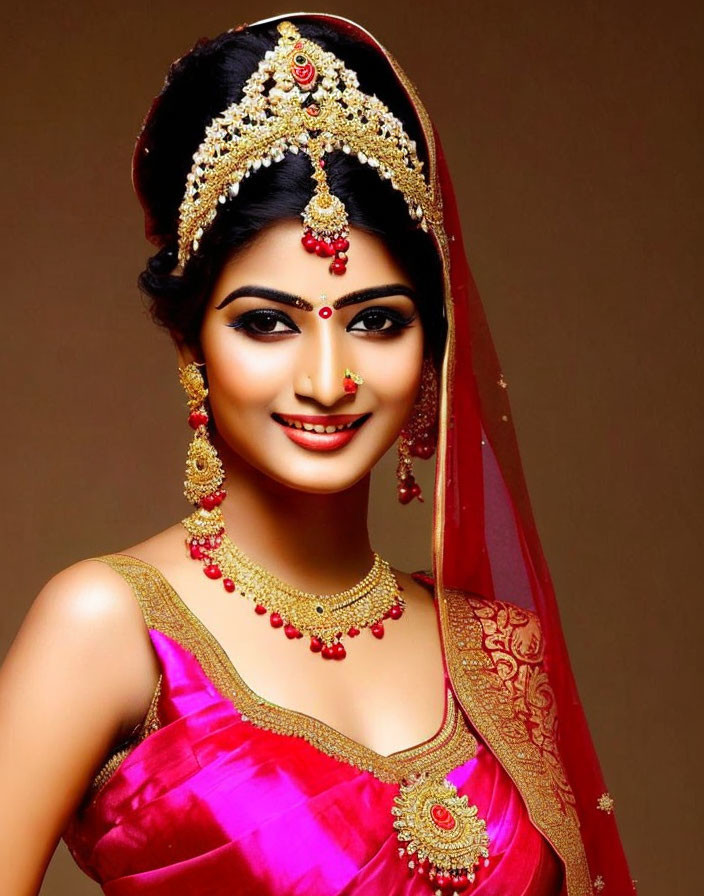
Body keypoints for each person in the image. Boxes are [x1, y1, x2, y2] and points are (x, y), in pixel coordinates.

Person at [0, 11, 635, 896]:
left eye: (377, 321)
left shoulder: (495, 655)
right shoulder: (107, 629)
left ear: (430, 352)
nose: (329, 378)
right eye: (268, 323)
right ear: (192, 347)